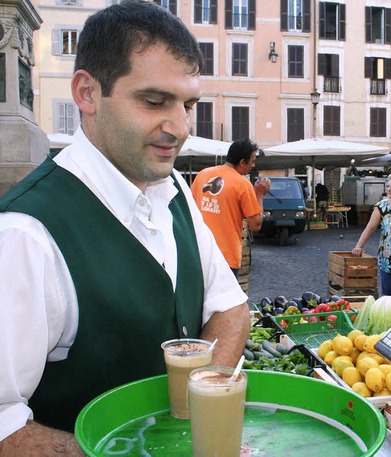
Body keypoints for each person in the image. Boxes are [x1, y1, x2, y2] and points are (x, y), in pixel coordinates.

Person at [0, 1, 250, 454]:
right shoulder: (24, 233)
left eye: (188, 105)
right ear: (88, 94)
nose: (179, 128)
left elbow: (231, 309)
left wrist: (195, 413)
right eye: (154, 101)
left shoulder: (174, 187)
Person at [191, 138, 270, 277]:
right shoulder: (243, 184)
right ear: (241, 162)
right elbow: (255, 225)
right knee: (224, 299)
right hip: (225, 257)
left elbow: (189, 208)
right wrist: (260, 195)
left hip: (198, 253)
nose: (253, 165)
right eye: (252, 161)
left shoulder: (203, 174)